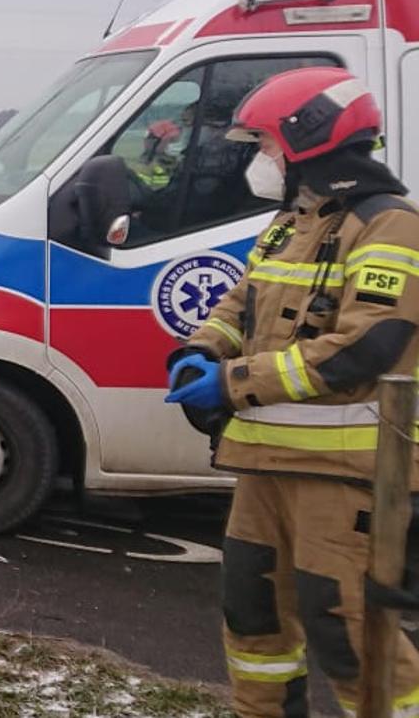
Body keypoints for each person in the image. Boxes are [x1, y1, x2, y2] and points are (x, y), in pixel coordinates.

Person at [164, 67, 419, 717]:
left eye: (267, 145)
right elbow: (240, 301)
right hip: (263, 464)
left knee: (350, 631)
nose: (260, 160)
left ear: (310, 144)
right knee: (254, 626)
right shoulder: (289, 224)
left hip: (344, 471)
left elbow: (367, 348)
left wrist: (233, 382)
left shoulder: (389, 226)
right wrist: (203, 348)